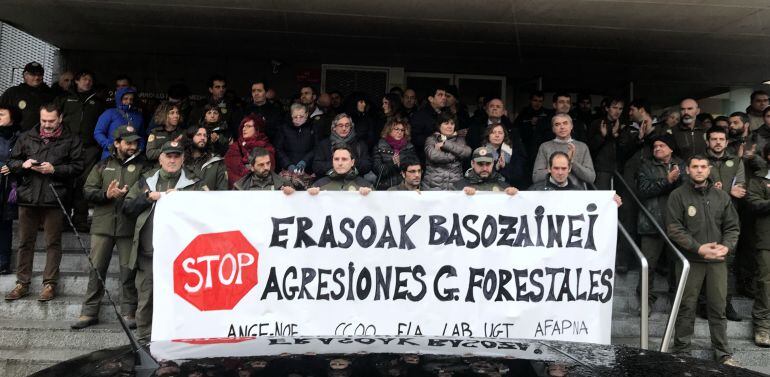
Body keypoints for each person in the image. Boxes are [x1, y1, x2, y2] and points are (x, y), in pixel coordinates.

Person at [123, 140, 205, 341]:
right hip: (149, 252)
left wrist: (183, 198)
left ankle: (182, 337)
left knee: (185, 299)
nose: (173, 160)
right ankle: (144, 339)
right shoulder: (145, 181)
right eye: (168, 156)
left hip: (185, 256)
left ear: (183, 159)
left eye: (177, 156)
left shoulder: (195, 182)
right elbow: (127, 207)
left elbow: (207, 209)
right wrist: (148, 197)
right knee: (147, 297)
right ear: (160, 158)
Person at [71, 125, 149, 330]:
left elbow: (146, 193)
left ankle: (128, 311)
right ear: (117, 143)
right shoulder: (102, 165)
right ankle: (89, 312)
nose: (133, 146)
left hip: (128, 226)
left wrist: (129, 196)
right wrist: (107, 195)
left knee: (128, 271)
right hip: (102, 225)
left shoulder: (144, 167)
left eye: (135, 142)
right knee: (96, 270)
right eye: (128, 142)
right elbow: (87, 190)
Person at [4, 103, 84, 301]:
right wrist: (24, 165)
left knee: (53, 243)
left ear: (60, 119)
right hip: (28, 196)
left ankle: (49, 284)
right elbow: (12, 162)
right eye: (43, 121)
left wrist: (54, 169)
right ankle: (22, 283)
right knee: (25, 242)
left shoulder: (72, 139)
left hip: (54, 197)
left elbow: (78, 166)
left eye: (51, 121)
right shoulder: (26, 137)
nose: (47, 125)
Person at [666, 155, 740, 365]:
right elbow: (674, 228)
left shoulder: (721, 196)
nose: (699, 170)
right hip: (691, 261)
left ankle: (723, 353)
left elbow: (732, 227)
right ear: (688, 170)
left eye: (703, 167)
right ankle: (681, 352)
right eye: (695, 167)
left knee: (718, 307)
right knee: (686, 307)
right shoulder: (677, 196)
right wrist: (698, 248)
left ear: (709, 170)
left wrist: (727, 245)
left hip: (717, 260)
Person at [636, 135, 685, 313]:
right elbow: (643, 190)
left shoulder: (683, 165)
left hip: (677, 224)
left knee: (676, 266)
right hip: (652, 223)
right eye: (655, 146)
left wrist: (676, 178)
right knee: (648, 265)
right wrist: (667, 180)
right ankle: (645, 302)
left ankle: (676, 301)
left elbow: (688, 190)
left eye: (662, 145)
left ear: (671, 149)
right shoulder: (646, 166)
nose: (657, 148)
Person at [704, 126, 747, 321]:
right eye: (714, 139)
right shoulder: (700, 161)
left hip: (730, 219)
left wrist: (725, 191)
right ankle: (704, 304)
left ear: (727, 142)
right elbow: (695, 185)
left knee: (727, 264)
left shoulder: (736, 161)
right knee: (705, 262)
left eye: (721, 139)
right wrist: (725, 191)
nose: (718, 142)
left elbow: (741, 189)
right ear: (708, 142)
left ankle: (725, 304)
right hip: (704, 218)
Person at [57, 70, 106, 231]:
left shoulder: (98, 102)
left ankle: (80, 220)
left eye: (90, 79)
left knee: (83, 183)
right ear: (76, 81)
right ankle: (62, 219)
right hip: (67, 147)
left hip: (89, 148)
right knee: (66, 182)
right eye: (84, 79)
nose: (88, 82)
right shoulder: (64, 98)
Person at [746, 143, 770, 347]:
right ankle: (762, 326)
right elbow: (753, 203)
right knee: (765, 283)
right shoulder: (758, 179)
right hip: (766, 240)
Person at [532, 113, 595, 188]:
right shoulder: (545, 147)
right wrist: (555, 167)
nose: (562, 127)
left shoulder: (582, 147)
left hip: (576, 192)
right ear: (553, 129)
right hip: (550, 192)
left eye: (565, 123)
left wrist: (571, 162)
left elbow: (591, 178)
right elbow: (536, 177)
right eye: (557, 124)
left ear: (571, 126)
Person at [422, 113, 471, 191]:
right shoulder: (431, 139)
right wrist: (456, 154)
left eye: (452, 123)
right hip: (432, 186)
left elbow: (467, 152)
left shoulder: (460, 140)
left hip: (455, 187)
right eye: (446, 123)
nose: (450, 126)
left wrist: (445, 144)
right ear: (439, 125)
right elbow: (434, 156)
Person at [312, 113, 371, 178]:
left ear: (351, 127)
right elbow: (316, 167)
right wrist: (337, 164)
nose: (344, 128)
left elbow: (367, 166)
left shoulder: (359, 144)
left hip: (354, 183)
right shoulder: (324, 144)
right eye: (340, 125)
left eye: (347, 125)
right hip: (329, 183)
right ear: (334, 127)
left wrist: (350, 162)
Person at [0, 62, 54, 131]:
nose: (37, 77)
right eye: (33, 74)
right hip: (17, 137)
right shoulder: (13, 92)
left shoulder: (49, 94)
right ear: (25, 75)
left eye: (40, 75)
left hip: (42, 137)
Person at [224, 114, 275, 188]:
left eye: (248, 126)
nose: (244, 129)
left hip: (262, 188)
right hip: (239, 189)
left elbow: (268, 168)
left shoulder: (267, 146)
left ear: (257, 129)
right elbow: (230, 170)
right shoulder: (235, 147)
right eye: (243, 126)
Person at [94, 86, 144, 160]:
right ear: (119, 99)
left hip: (132, 156)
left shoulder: (138, 116)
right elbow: (98, 132)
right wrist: (109, 146)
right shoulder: (110, 113)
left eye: (131, 99)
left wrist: (140, 148)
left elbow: (142, 135)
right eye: (125, 99)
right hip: (110, 155)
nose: (128, 101)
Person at [188, 75, 241, 140]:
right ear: (211, 89)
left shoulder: (231, 106)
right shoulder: (201, 104)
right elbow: (192, 124)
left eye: (223, 87)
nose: (221, 89)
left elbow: (236, 128)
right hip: (203, 138)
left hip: (224, 139)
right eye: (217, 87)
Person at [588, 97, 624, 190]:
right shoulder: (597, 124)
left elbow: (625, 147)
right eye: (614, 108)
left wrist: (616, 136)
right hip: (601, 168)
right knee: (602, 198)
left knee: (618, 200)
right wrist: (603, 136)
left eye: (620, 109)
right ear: (607, 108)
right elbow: (590, 147)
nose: (618, 111)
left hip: (619, 169)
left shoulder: (623, 125)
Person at [0, 105, 20, 274]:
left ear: (12, 118)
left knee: (5, 224)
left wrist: (13, 166)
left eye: (1, 114)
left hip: (9, 187)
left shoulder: (20, 136)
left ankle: (3, 262)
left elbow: (24, 158)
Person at [372, 118, 418, 190]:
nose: (399, 132)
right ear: (389, 130)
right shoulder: (379, 146)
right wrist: (392, 164)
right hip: (385, 187)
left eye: (402, 130)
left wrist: (401, 164)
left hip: (405, 188)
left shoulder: (410, 147)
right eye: (396, 129)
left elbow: (415, 170)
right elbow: (377, 170)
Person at [482, 123, 526, 188]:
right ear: (488, 135)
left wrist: (505, 166)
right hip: (486, 188)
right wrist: (496, 167)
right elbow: (478, 174)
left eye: (500, 133)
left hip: (509, 188)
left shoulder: (513, 151)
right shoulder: (481, 151)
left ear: (504, 135)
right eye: (493, 133)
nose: (497, 135)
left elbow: (518, 174)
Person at [274, 103, 315, 174]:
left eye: (301, 117)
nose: (298, 119)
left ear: (306, 115)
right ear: (291, 115)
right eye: (295, 117)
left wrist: (304, 161)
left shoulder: (313, 127)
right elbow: (278, 149)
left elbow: (316, 147)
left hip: (308, 169)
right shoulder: (284, 128)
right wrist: (288, 164)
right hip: (288, 169)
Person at [410, 86, 447, 163]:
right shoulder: (420, 115)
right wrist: (435, 140)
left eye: (445, 95)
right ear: (431, 99)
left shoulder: (446, 115)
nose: (444, 98)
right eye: (440, 95)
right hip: (425, 159)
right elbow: (415, 138)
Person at [184, 126, 228, 191]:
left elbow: (223, 190)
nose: (202, 138)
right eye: (199, 135)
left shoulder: (216, 162)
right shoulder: (181, 161)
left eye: (205, 135)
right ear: (190, 137)